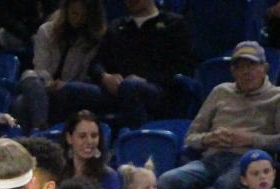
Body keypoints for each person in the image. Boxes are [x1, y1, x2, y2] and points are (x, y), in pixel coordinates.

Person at [157, 42, 280, 189]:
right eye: (240, 67)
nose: (246, 72)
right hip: (210, 159)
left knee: (226, 185)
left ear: (265, 68)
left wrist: (250, 139)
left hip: (248, 161)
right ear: (232, 71)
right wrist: (209, 138)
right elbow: (190, 137)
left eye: (252, 65)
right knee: (168, 180)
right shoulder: (221, 91)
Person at [65, 0, 193, 132]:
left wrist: (147, 80)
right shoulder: (117, 26)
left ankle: (132, 143)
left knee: (130, 87)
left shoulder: (174, 24)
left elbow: (183, 66)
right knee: (71, 90)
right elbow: (96, 64)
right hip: (117, 90)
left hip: (157, 90)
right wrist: (104, 76)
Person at [14, 0, 107, 133]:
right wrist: (50, 83)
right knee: (30, 77)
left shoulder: (92, 41)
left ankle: (37, 134)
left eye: (84, 16)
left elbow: (85, 75)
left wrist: (65, 84)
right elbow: (40, 67)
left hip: (68, 92)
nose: (78, 19)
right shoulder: (46, 31)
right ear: (66, 11)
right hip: (43, 86)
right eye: (74, 13)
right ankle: (41, 130)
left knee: (21, 103)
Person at [60, 110, 121, 189]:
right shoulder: (58, 173)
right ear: (69, 138)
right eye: (82, 136)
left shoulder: (109, 176)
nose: (89, 141)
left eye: (94, 136)